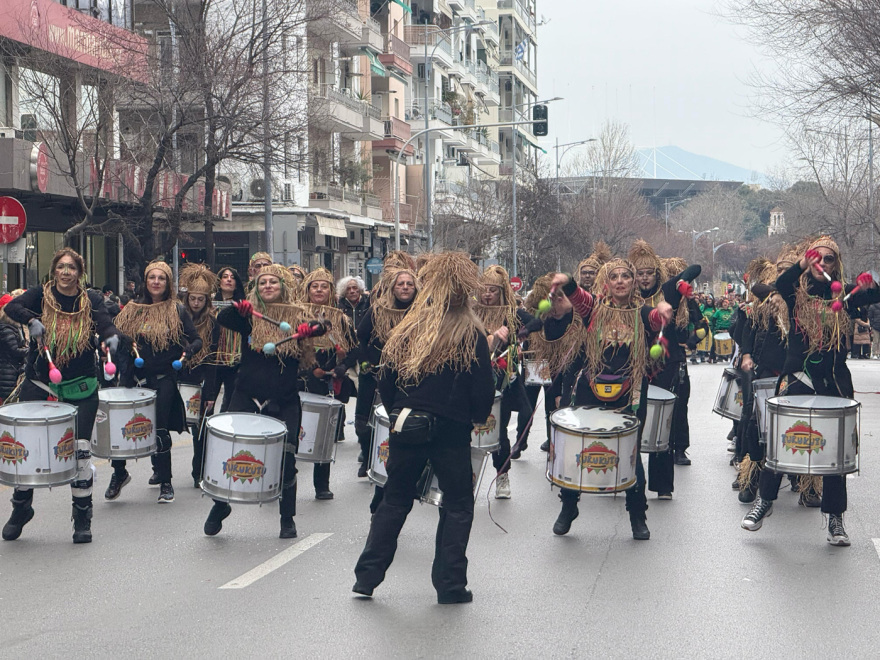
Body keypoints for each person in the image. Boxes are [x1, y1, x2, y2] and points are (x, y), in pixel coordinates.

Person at [353, 252, 494, 604]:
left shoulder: (410, 326)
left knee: (395, 500)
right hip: (451, 430)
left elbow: (384, 373)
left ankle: (367, 578)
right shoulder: (471, 333)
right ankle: (450, 585)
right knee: (458, 505)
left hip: (407, 424)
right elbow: (483, 388)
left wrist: (399, 408)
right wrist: (475, 417)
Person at [741, 236, 879, 545]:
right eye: (817, 257)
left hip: (832, 383)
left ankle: (835, 520)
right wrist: (803, 263)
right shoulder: (794, 293)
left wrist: (869, 284)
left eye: (829, 259)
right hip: (796, 378)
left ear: (836, 264)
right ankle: (764, 503)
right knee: (780, 443)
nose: (822, 263)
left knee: (835, 454)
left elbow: (876, 296)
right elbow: (780, 282)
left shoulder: (844, 296)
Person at [2, 248, 121, 543]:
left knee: (79, 453)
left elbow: (105, 323)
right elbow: (12, 308)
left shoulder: (91, 299)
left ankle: (82, 517)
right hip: (41, 383)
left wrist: (110, 339)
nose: (66, 272)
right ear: (53, 270)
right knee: (27, 448)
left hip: (81, 387)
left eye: (72, 268)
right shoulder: (39, 296)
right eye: (61, 267)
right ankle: (21, 508)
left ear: (79, 273)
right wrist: (31, 321)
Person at [550, 257, 673, 540]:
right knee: (575, 449)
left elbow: (656, 318)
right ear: (607, 282)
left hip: (629, 392)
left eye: (626, 276)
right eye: (614, 276)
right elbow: (575, 294)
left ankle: (637, 516)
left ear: (633, 283)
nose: (620, 281)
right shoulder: (593, 308)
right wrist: (565, 279)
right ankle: (568, 506)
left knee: (630, 454)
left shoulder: (643, 313)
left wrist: (664, 309)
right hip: (590, 389)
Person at [205, 264, 318, 538]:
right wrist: (238, 308)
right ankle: (220, 506)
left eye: (274, 282)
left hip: (284, 399)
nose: (268, 286)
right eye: (263, 282)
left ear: (284, 287)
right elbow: (223, 317)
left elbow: (321, 325)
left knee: (287, 458)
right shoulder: (249, 317)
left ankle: (287, 519)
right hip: (246, 396)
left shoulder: (297, 314)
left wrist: (310, 329)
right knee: (232, 452)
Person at [110, 261, 202, 504]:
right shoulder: (132, 308)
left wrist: (188, 351)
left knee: (159, 430)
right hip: (134, 379)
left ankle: (166, 482)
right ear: (145, 280)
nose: (156, 282)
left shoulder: (177, 310)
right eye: (152, 277)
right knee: (120, 427)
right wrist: (120, 341)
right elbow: (115, 336)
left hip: (163, 379)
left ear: (167, 283)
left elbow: (196, 339)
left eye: (161, 278)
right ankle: (119, 473)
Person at [474, 265, 541, 498]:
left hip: (505, 378)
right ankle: (467, 478)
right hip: (476, 378)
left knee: (503, 428)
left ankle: (502, 474)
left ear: (501, 291)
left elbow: (536, 322)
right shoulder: (471, 312)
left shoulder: (511, 312)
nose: (488, 294)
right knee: (472, 430)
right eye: (484, 290)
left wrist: (519, 335)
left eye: (493, 290)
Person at [356, 266, 418, 510]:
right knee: (380, 429)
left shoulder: (423, 312)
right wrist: (372, 361)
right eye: (400, 284)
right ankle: (380, 485)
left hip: (414, 380)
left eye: (409, 284)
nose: (404, 287)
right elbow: (361, 337)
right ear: (392, 288)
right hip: (385, 377)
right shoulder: (378, 311)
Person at [299, 267, 357, 500]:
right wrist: (311, 367)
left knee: (323, 435)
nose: (319, 290)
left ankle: (321, 485)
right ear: (308, 290)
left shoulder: (341, 319)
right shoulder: (298, 315)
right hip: (302, 381)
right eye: (315, 286)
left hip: (327, 384)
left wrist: (342, 367)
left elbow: (354, 348)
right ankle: (286, 480)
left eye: (324, 286)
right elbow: (294, 348)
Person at [178, 264, 221, 487]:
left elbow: (212, 358)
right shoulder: (176, 316)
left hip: (202, 376)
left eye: (200, 299)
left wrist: (211, 392)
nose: (196, 303)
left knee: (201, 431)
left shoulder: (213, 322)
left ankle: (199, 471)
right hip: (179, 374)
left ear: (206, 301)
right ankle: (159, 470)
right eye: (193, 298)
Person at [213, 266, 246, 412]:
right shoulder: (209, 302)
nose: (228, 280)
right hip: (213, 358)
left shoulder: (243, 305)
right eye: (225, 276)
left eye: (232, 277)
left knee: (230, 399)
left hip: (234, 359)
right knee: (207, 399)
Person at [0, 291, 27, 404]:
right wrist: (31, 350)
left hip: (11, 371)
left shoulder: (13, 328)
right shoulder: (6, 330)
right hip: (8, 373)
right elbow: (15, 350)